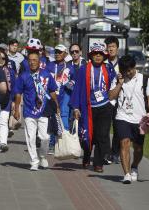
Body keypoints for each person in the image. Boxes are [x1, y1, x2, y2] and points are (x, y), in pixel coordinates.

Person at [109, 55, 149, 184]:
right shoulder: (118, 79)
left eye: (130, 70)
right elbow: (111, 97)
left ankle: (134, 166)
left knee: (138, 148)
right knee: (124, 143)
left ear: (134, 67)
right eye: (125, 71)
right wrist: (119, 84)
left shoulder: (144, 79)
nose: (128, 73)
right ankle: (127, 174)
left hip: (140, 119)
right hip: (122, 116)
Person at [71, 43, 116, 172]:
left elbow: (113, 86)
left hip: (104, 107)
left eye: (100, 54)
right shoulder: (84, 69)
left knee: (102, 136)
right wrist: (76, 107)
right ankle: (86, 155)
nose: (98, 56)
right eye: (95, 54)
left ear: (104, 56)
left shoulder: (108, 68)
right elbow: (77, 89)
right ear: (91, 55)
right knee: (87, 136)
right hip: (88, 108)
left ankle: (98, 163)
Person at [14, 50, 59, 171]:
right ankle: (34, 160)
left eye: (35, 60)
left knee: (45, 137)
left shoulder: (46, 74)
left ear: (40, 62)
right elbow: (18, 93)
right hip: (29, 110)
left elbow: (53, 91)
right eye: (30, 60)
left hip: (44, 110)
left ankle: (42, 156)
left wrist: (57, 106)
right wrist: (16, 109)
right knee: (30, 137)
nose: (32, 62)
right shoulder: (24, 76)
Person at [46, 44, 75, 131]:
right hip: (51, 94)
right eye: (56, 52)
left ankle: (64, 139)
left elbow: (74, 80)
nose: (57, 54)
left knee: (64, 116)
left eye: (60, 52)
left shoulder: (70, 67)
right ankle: (52, 142)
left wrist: (70, 84)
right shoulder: (49, 65)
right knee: (51, 117)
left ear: (65, 54)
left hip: (64, 94)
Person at [105, 36, 121, 164]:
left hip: (120, 100)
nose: (111, 49)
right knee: (104, 128)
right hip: (105, 100)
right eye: (109, 47)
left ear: (117, 48)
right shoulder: (103, 63)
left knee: (118, 128)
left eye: (113, 47)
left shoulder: (122, 63)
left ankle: (115, 153)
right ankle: (106, 152)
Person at [0, 47, 16, 153]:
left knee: (3, 121)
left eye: (3, 59)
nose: (1, 60)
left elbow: (14, 87)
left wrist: (14, 101)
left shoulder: (10, 72)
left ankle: (3, 143)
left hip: (6, 100)